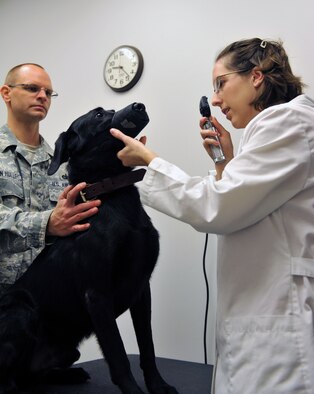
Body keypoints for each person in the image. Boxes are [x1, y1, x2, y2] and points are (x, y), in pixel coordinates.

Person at [110, 38, 314, 393]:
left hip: (279, 322)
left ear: (256, 76)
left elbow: (217, 207)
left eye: (221, 83)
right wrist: (224, 163)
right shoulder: (274, 130)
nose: (216, 99)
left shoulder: (289, 122)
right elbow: (252, 205)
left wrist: (149, 161)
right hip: (260, 315)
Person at [0, 63, 101, 295]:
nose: (42, 96)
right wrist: (47, 224)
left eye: (48, 92)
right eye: (32, 88)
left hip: (50, 304)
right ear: (6, 93)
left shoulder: (62, 164)